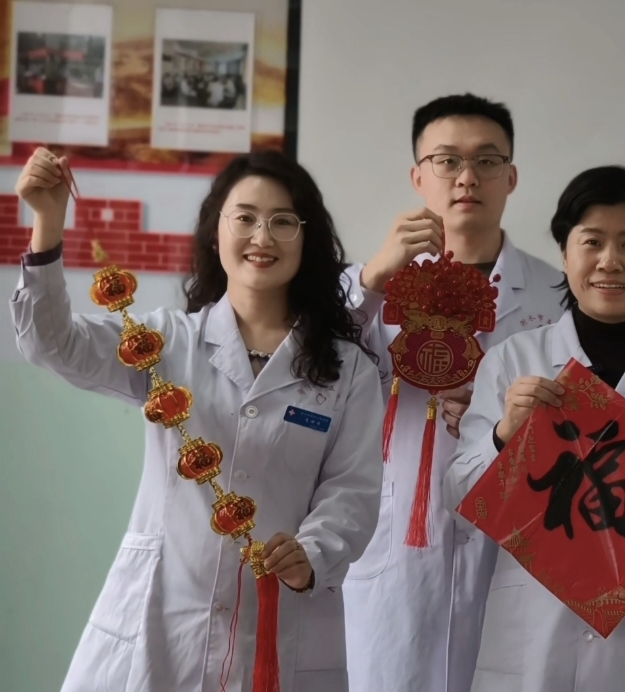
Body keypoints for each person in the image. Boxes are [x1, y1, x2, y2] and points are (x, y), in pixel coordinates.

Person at [11, 148, 385, 691]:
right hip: (164, 613)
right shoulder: (166, 342)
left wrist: (313, 553)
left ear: (307, 240)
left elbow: (352, 490)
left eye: (283, 221)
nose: (262, 236)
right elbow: (52, 343)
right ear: (215, 233)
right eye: (245, 217)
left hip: (278, 616)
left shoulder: (347, 370)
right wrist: (47, 222)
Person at [443, 165, 625, 692]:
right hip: (533, 639)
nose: (610, 261)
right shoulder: (513, 361)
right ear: (565, 253)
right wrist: (504, 435)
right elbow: (460, 498)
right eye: (592, 242)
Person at [340, 93, 565, 692]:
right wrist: (373, 280)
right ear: (419, 176)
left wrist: (503, 420)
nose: (467, 178)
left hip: (513, 541)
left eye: (487, 161)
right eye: (447, 161)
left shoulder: (557, 296)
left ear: (511, 177)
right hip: (398, 545)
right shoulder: (370, 287)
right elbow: (314, 369)